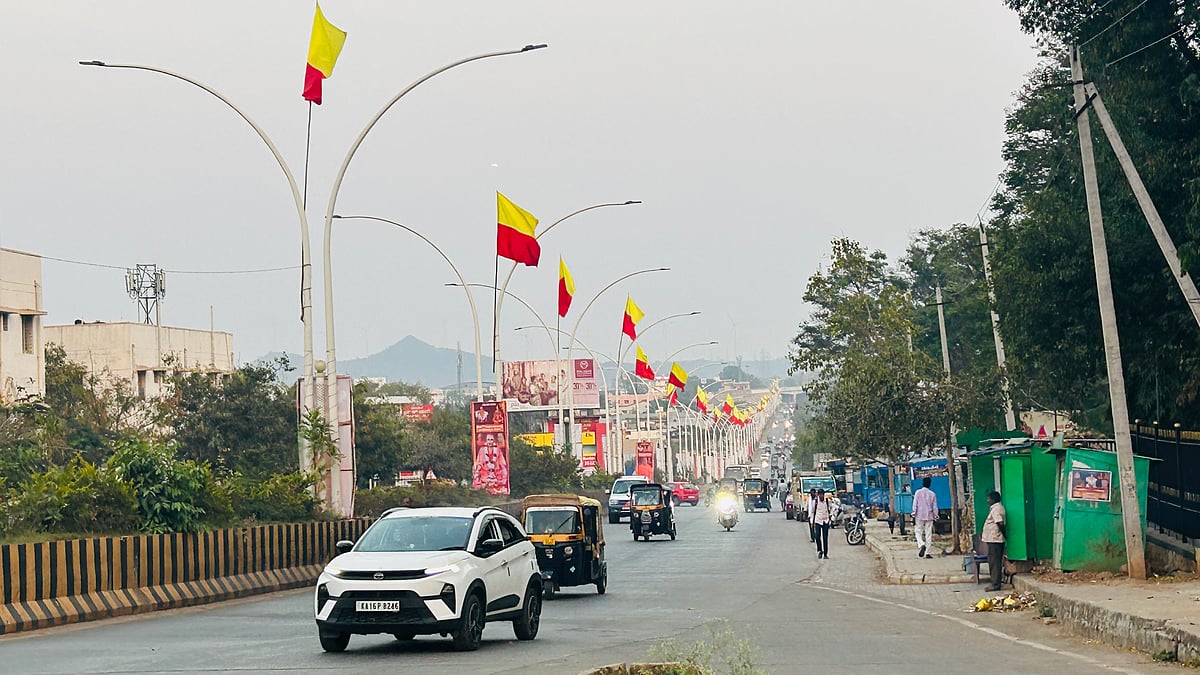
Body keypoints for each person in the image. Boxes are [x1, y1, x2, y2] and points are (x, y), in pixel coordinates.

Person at [982, 490, 1007, 592]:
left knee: (994, 562)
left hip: (995, 539)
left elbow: (1000, 523)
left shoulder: (996, 509)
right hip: (993, 538)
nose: (987, 500)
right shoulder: (995, 508)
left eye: (988, 498)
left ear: (993, 499)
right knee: (994, 561)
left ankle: (995, 584)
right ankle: (995, 582)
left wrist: (1005, 535)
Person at [912, 476, 938, 559]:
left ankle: (921, 544)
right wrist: (936, 516)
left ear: (922, 483)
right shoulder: (932, 494)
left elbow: (915, 504)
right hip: (929, 516)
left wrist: (914, 513)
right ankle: (927, 552)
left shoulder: (918, 492)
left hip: (919, 515)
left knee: (918, 531)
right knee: (928, 533)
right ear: (930, 484)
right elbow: (934, 507)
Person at [809, 488, 833, 559]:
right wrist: (811, 521)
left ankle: (825, 554)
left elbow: (831, 509)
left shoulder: (827, 501)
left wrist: (830, 515)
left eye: (822, 495)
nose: (821, 496)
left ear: (824, 495)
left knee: (825, 538)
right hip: (818, 521)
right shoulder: (815, 502)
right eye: (819, 495)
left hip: (825, 521)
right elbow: (812, 512)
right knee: (817, 536)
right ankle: (820, 550)